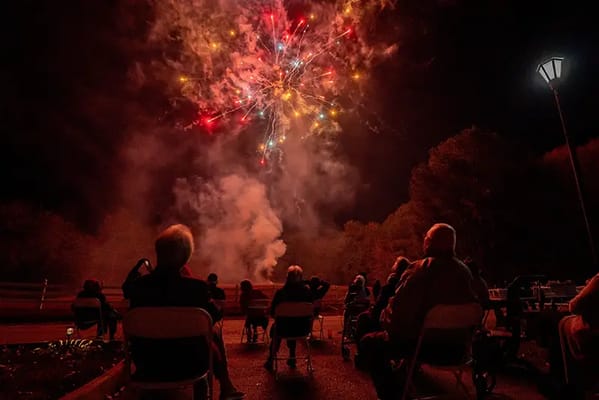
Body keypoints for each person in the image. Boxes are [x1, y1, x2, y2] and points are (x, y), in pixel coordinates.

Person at [122, 224, 244, 400]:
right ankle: (226, 387)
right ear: (185, 258)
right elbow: (215, 316)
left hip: (147, 364)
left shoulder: (139, 287)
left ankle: (227, 387)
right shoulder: (196, 288)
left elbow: (127, 289)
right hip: (190, 364)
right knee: (212, 332)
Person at [360, 223, 478, 400]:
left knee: (370, 343)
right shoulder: (465, 272)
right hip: (460, 350)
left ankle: (394, 396)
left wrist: (383, 319)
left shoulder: (419, 271)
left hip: (426, 348)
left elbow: (397, 317)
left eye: (426, 239)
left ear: (429, 242)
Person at [264, 265, 312, 371]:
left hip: (283, 329)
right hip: (303, 329)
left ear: (287, 278)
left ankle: (271, 359)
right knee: (294, 322)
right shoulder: (307, 293)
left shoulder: (280, 293)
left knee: (280, 326)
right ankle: (292, 356)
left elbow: (273, 313)